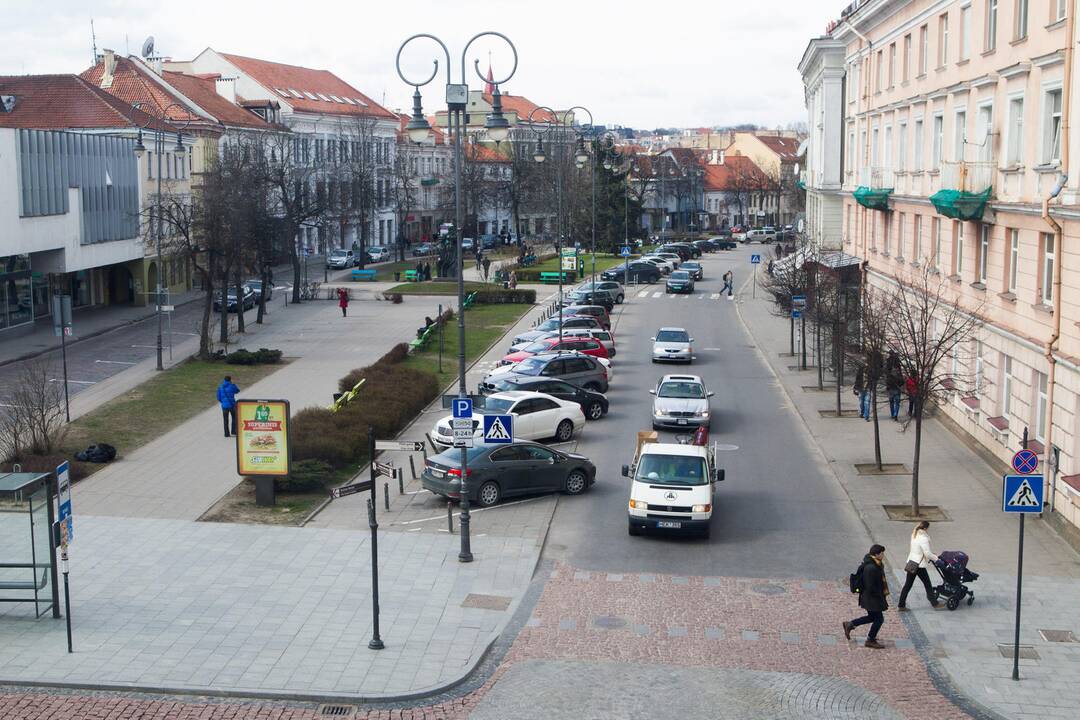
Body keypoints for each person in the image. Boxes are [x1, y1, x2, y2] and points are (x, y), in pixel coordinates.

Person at [843, 543, 890, 649]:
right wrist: (879, 595)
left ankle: (850, 624)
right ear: (877, 554)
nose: (883, 555)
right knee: (879, 619)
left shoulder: (876, 564)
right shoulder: (871, 568)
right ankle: (870, 639)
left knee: (872, 617)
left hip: (870, 597)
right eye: (882, 553)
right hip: (871, 598)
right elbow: (870, 586)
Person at [898, 521, 940, 610]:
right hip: (919, 565)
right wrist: (936, 558)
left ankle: (901, 605)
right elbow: (927, 553)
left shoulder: (914, 534)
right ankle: (935, 603)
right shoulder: (923, 538)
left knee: (907, 585)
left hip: (911, 562)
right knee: (927, 584)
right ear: (925, 528)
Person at [885, 352, 903, 421]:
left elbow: (887, 378)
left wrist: (887, 387)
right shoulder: (899, 372)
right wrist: (900, 385)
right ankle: (895, 415)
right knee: (897, 402)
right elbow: (902, 381)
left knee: (891, 402)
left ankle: (893, 414)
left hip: (891, 388)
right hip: (897, 388)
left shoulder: (889, 372)